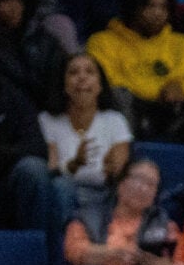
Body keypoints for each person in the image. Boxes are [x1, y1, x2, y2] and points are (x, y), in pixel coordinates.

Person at [90, 0, 184, 143]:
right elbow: (106, 81)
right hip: (133, 111)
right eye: (150, 6)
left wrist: (181, 87)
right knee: (119, 94)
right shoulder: (102, 41)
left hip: (177, 113)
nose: (157, 13)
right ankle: (125, 151)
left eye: (163, 8)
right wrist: (160, 90)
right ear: (133, 7)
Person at [43, 51, 130, 222]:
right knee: (60, 187)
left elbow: (119, 169)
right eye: (73, 72)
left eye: (90, 72)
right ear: (64, 84)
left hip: (103, 193)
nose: (82, 78)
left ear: (100, 85)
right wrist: (75, 164)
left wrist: (111, 169)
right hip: (64, 192)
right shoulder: (48, 120)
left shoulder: (115, 120)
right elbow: (51, 170)